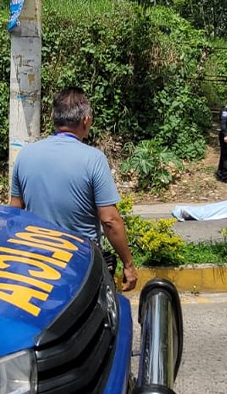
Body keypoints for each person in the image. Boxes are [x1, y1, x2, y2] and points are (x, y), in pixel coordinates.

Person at [10, 87, 137, 291]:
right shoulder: (93, 160)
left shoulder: (25, 155)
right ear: (86, 120)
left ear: (53, 117)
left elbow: (14, 213)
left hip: (35, 266)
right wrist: (129, 265)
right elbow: (110, 220)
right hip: (80, 267)